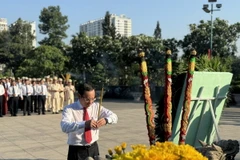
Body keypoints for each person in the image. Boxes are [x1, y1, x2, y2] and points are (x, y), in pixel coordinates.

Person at [60, 83, 118, 160]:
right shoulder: (69, 109)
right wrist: (84, 124)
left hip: (93, 147)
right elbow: (65, 126)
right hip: (77, 149)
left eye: (93, 98)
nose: (90, 102)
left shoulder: (96, 106)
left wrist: (106, 120)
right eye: (87, 99)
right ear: (79, 96)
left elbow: (114, 116)